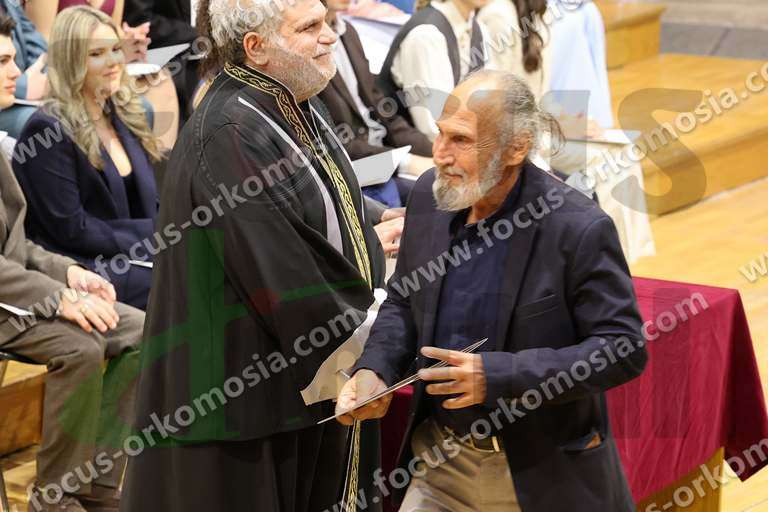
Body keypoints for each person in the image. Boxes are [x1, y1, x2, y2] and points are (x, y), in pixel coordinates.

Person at [336, 70, 648, 511]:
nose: (440, 154)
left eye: (461, 140)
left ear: (517, 147)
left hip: (535, 475)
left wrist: (500, 377)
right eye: (440, 134)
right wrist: (376, 369)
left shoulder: (577, 227)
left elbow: (622, 348)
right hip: (438, 462)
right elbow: (404, 301)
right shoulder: (428, 197)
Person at [120, 0, 387, 510]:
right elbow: (282, 269)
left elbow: (317, 195)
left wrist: (374, 221)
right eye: (310, 27)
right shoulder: (230, 130)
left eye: (326, 21)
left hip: (283, 389)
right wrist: (376, 347)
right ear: (256, 47)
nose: (330, 36)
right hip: (236, 405)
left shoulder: (288, 102)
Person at [0, 13, 145, 512]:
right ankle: (54, 497)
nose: (17, 71)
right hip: (9, 301)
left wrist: (68, 273)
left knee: (137, 328)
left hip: (18, 290)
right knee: (81, 346)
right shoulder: (45, 128)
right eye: (4, 61)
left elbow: (18, 247)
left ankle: (97, 484)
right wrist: (58, 295)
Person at [13, 6, 164, 311]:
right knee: (183, 283)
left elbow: (151, 201)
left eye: (116, 49)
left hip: (136, 252)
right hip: (84, 267)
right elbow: (72, 229)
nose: (113, 62)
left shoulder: (123, 113)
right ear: (71, 61)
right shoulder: (47, 131)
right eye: (97, 54)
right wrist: (153, 235)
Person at [319, 0, 434, 207]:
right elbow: (336, 146)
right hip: (356, 170)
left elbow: (386, 114)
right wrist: (406, 162)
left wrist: (437, 151)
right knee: (436, 195)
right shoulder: (310, 49)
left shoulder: (348, 32)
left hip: (384, 155)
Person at [377, 0, 490, 141]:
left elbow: (488, 104)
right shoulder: (426, 34)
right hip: (405, 146)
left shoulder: (479, 30)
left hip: (454, 141)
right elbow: (434, 127)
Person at [0, 0, 47, 138]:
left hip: (22, 98)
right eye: (2, 61)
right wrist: (23, 85)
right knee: (44, 124)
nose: (16, 72)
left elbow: (41, 52)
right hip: (11, 107)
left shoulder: (10, 4)